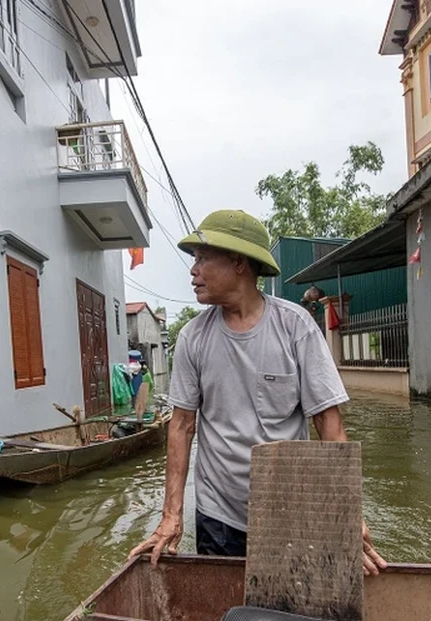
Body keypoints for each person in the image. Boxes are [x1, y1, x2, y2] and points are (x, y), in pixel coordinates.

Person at [128, 209, 386, 575]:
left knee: (286, 615)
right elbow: (182, 426)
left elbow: (329, 424)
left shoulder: (294, 326)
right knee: (227, 616)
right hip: (218, 514)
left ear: (238, 263)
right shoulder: (192, 338)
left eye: (202, 258)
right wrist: (171, 515)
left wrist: (346, 513)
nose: (193, 270)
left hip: (288, 508)